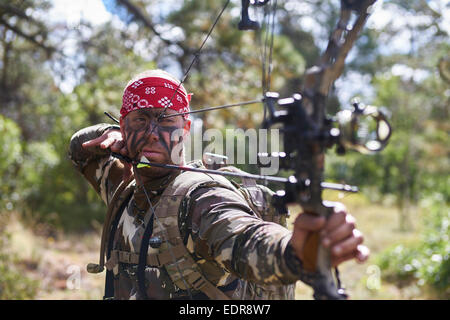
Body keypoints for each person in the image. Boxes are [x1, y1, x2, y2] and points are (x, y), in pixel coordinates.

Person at [69, 69, 369, 300]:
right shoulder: (122, 186)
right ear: (123, 125)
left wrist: (294, 252)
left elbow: (244, 238)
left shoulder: (199, 195)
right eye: (140, 120)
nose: (151, 133)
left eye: (165, 121)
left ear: (185, 128)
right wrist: (110, 136)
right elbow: (79, 147)